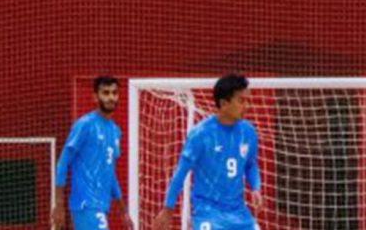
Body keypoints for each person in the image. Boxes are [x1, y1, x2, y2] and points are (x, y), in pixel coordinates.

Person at [153, 74, 262, 230]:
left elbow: (250, 165)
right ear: (224, 104)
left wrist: (255, 187)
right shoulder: (201, 134)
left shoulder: (248, 132)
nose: (247, 106)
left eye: (247, 100)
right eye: (241, 101)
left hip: (238, 213)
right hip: (208, 212)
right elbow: (180, 173)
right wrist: (168, 208)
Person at [52, 76, 134, 230]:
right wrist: (58, 204)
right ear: (95, 97)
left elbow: (110, 173)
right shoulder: (85, 125)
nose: (111, 97)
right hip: (85, 204)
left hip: (101, 206)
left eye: (114, 93)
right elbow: (63, 162)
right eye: (106, 93)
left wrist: (122, 211)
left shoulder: (115, 131)